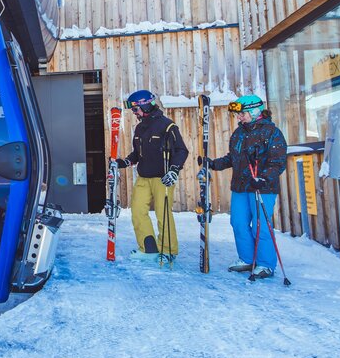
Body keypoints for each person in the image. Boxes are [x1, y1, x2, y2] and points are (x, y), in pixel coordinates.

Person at [199, 94, 287, 279]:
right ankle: (247, 259)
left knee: (260, 225)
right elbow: (233, 158)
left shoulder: (272, 132)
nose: (239, 117)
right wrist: (212, 164)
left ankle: (265, 264)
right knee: (238, 223)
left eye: (242, 113)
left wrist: (263, 178)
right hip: (240, 186)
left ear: (255, 111)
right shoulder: (239, 133)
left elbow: (278, 162)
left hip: (262, 187)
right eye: (238, 114)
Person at [114, 90, 188, 262]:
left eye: (136, 108)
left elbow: (181, 150)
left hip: (163, 177)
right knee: (138, 211)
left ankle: (169, 250)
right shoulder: (140, 128)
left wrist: (174, 170)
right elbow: (137, 154)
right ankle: (149, 249)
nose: (135, 112)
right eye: (133, 110)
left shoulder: (168, 126)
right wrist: (124, 162)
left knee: (163, 214)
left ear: (146, 105)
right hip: (144, 177)